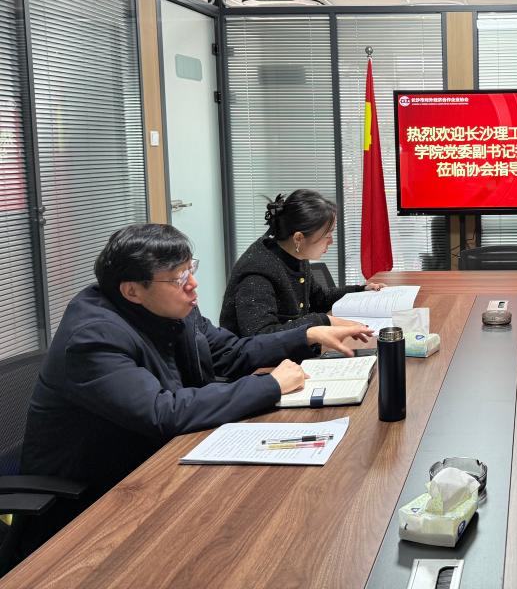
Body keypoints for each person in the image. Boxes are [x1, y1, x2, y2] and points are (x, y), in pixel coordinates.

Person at [20, 223, 372, 550]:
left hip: (164, 465)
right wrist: (271, 386)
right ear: (132, 291)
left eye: (191, 269)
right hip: (94, 508)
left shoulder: (175, 310)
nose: (192, 284)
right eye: (178, 278)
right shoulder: (93, 338)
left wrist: (306, 335)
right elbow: (163, 412)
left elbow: (231, 353)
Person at [220, 189, 384, 337]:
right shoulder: (257, 272)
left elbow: (319, 298)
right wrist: (324, 321)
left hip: (291, 353)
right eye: (327, 235)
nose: (331, 241)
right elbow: (262, 336)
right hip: (257, 361)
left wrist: (360, 290)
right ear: (298, 238)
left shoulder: (294, 255)